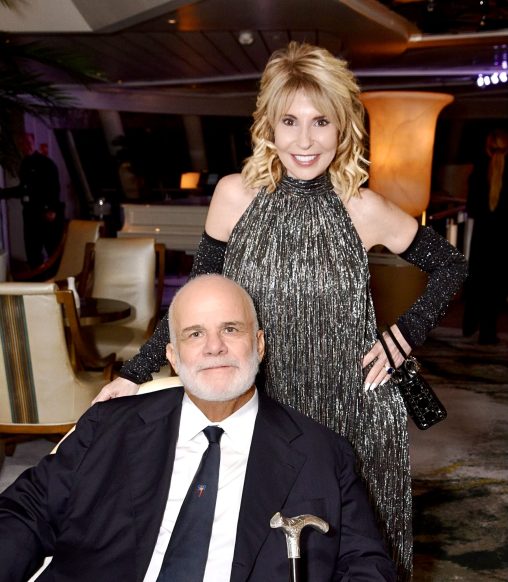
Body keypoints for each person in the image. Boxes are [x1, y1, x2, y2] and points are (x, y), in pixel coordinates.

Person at [94, 42, 468, 579]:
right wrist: (134, 374)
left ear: (343, 127)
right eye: (290, 121)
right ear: (268, 125)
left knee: (359, 557)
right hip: (269, 403)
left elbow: (451, 266)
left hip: (357, 410)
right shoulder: (234, 197)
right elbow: (194, 298)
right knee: (264, 550)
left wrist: (403, 335)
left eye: (321, 122)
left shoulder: (364, 208)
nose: (305, 140)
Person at [0, 275, 396, 582]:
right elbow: (23, 512)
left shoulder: (322, 452)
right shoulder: (107, 427)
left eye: (231, 329)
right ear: (173, 357)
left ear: (259, 345)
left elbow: (366, 565)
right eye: (195, 334)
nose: (214, 347)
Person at [462, 128, 508, 344]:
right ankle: (488, 330)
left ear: (488, 147)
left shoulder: (478, 171)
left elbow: (471, 208)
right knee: (497, 284)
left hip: (482, 237)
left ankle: (471, 323)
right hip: (503, 238)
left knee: (478, 281)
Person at [17, 133, 63, 268]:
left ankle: (56, 277)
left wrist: (51, 209)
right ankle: (37, 277)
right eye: (23, 143)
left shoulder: (45, 163)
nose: (26, 146)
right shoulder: (24, 164)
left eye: (28, 142)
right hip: (30, 213)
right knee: (32, 251)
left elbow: (54, 187)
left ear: (34, 143)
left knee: (52, 249)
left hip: (45, 213)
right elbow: (24, 188)